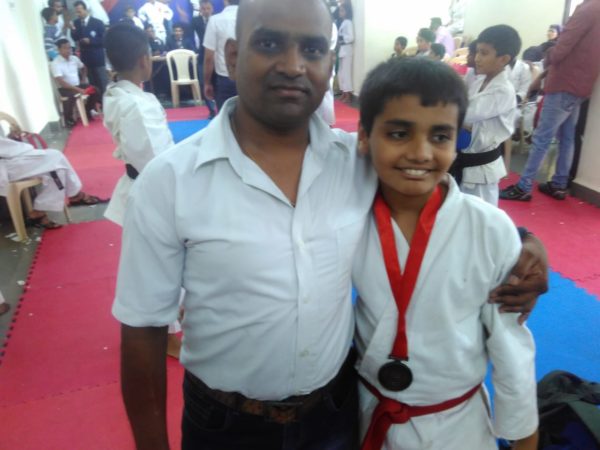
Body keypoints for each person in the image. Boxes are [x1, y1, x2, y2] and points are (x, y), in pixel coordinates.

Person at [112, 1, 549, 449]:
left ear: (330, 64)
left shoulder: (358, 160)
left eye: (313, 49)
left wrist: (521, 243)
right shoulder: (169, 181)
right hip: (225, 421)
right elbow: (143, 330)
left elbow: (431, 199)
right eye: (269, 43)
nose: (293, 65)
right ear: (233, 55)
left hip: (336, 413)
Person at [354, 56, 538, 450]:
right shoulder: (349, 217)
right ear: (364, 137)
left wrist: (524, 437)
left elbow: (509, 344)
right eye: (399, 134)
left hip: (455, 422)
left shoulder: (490, 227)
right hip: (367, 408)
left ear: (457, 143)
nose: (421, 153)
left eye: (440, 137)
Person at [102, 24, 181, 357]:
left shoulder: (117, 94)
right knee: (164, 261)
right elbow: (155, 159)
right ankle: (168, 334)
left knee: (160, 260)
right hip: (152, 190)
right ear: (144, 59)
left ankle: (174, 318)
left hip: (140, 184)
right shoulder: (136, 104)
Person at [500, 0, 600, 202]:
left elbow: (561, 49)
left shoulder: (588, 8)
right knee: (567, 137)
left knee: (542, 137)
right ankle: (559, 184)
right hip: (582, 85)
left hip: (565, 81)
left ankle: (523, 187)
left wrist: (548, 56)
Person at [0, 115, 106, 230]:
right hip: (5, 167)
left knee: (56, 168)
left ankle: (41, 211)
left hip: (8, 159)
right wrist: (20, 144)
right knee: (55, 158)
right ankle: (73, 195)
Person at [454, 25, 520, 206]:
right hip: (466, 159)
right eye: (477, 52)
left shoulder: (503, 90)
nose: (477, 58)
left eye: (484, 53)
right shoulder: (480, 81)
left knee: (480, 216)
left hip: (481, 168)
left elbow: (465, 113)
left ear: (504, 59)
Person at [51, 39, 102, 127]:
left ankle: (88, 110)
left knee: (95, 90)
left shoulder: (74, 58)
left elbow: (83, 67)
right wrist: (78, 89)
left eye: (69, 48)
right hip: (65, 88)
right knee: (71, 96)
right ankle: (69, 118)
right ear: (59, 50)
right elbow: (61, 81)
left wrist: (83, 79)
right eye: (65, 48)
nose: (68, 50)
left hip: (78, 85)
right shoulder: (56, 63)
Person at [202, 0, 239, 111]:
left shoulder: (215, 20)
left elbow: (209, 58)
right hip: (249, 78)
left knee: (225, 117)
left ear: (225, 1)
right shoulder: (253, 18)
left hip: (225, 78)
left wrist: (207, 82)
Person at [71, 0, 108, 95]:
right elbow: (75, 38)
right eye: (76, 12)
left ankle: (106, 100)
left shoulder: (97, 22)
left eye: (79, 11)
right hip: (85, 57)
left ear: (85, 10)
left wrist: (91, 41)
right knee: (92, 83)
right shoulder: (76, 23)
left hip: (97, 57)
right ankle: (95, 101)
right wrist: (72, 29)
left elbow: (104, 40)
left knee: (102, 81)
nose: (78, 14)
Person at [192, 0, 217, 119]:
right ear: (200, 10)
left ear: (212, 9)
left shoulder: (217, 20)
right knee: (203, 82)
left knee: (217, 82)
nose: (206, 11)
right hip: (202, 56)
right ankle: (211, 111)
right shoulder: (195, 21)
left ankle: (220, 107)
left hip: (217, 56)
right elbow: (190, 37)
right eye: (204, 9)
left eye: (208, 8)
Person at [337, 2, 354, 104]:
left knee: (346, 73)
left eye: (342, 10)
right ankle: (343, 92)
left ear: (347, 11)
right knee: (341, 73)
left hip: (347, 50)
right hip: (342, 50)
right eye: (340, 10)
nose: (340, 12)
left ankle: (348, 95)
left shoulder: (348, 22)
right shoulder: (343, 22)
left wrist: (341, 39)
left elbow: (351, 37)